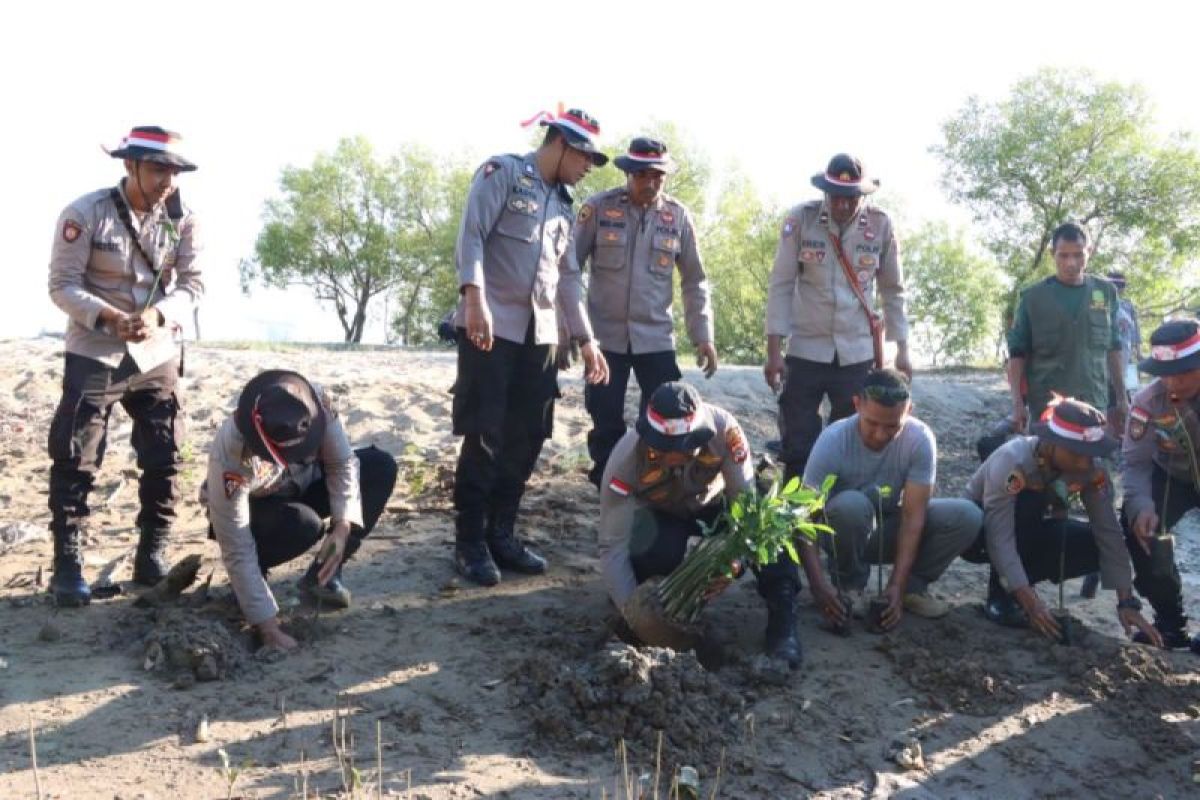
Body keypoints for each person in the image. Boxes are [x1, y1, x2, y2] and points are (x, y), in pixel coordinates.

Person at [451, 108, 611, 586]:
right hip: (490, 326)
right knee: (484, 432)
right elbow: (472, 237)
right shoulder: (502, 173)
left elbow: (565, 279)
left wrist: (585, 339)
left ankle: (502, 532)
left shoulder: (564, 205)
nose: (587, 167)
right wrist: (473, 298)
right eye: (583, 155)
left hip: (539, 336)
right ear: (559, 142)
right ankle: (469, 541)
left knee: (529, 434)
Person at [45, 126, 204, 606]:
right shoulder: (84, 213)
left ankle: (151, 555)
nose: (167, 181)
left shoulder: (185, 219)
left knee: (164, 454)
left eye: (174, 171)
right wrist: (110, 318)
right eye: (158, 170)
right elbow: (62, 285)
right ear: (129, 166)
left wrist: (158, 315)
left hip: (156, 351)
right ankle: (68, 564)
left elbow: (193, 285)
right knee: (76, 456)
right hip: (95, 347)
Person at [600, 382, 804, 667]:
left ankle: (783, 628)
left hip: (715, 505)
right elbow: (612, 546)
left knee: (771, 533)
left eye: (683, 447)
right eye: (664, 447)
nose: (673, 456)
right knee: (654, 552)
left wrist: (735, 563)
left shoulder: (725, 432)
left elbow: (745, 515)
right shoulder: (625, 460)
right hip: (663, 514)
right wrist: (633, 614)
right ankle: (655, 602)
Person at [204, 370, 398, 651]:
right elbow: (235, 544)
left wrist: (343, 527)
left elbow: (342, 464)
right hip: (256, 509)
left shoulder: (316, 404)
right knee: (303, 525)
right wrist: (268, 628)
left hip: (304, 483)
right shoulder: (230, 452)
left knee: (380, 466)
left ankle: (326, 574)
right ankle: (252, 584)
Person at [573, 137, 717, 487]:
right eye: (642, 175)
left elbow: (695, 281)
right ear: (628, 174)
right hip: (605, 338)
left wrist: (703, 336)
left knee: (663, 415)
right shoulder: (598, 209)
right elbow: (568, 269)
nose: (650, 183)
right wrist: (572, 331)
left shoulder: (678, 217)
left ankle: (649, 482)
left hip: (655, 338)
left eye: (658, 176)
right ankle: (607, 483)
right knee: (605, 418)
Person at [961, 397, 1160, 643]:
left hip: (1028, 535)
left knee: (1092, 543)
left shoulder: (1091, 469)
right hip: (980, 534)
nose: (1085, 462)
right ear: (1052, 443)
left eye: (1091, 454)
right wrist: (1031, 603)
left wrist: (1126, 601)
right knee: (1028, 502)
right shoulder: (1013, 461)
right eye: (1077, 454)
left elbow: (1108, 531)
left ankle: (1020, 585)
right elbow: (998, 535)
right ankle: (1003, 596)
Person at [765, 153, 911, 480]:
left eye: (851, 197)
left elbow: (893, 290)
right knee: (798, 439)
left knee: (852, 438)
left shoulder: (880, 224)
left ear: (862, 195)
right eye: (836, 196)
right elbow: (782, 284)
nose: (843, 204)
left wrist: (901, 351)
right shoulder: (800, 220)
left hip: (856, 352)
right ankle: (797, 516)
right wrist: (774, 351)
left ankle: (842, 513)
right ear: (825, 192)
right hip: (806, 349)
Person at [799, 369, 981, 631]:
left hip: (887, 529)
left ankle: (911, 590)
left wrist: (897, 584)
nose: (880, 434)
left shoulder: (920, 439)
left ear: (909, 411)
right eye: (872, 423)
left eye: (892, 426)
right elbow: (804, 518)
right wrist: (818, 587)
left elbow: (913, 516)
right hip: (842, 530)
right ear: (857, 405)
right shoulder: (833, 439)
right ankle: (849, 586)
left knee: (967, 516)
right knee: (852, 505)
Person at [1121, 318, 1200, 652]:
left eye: (1182, 372)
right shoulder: (1147, 402)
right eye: (1165, 372)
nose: (1172, 382)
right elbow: (1135, 462)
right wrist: (1141, 505)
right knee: (1138, 526)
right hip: (1172, 477)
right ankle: (1169, 622)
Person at [1006, 222, 1127, 435]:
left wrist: (1121, 398)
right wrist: (1017, 404)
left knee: (1091, 464)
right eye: (1063, 255)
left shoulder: (1105, 293)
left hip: (1093, 404)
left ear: (1089, 252)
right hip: (1049, 408)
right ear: (1053, 254)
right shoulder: (1032, 298)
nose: (1071, 263)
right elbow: (1017, 354)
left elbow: (1114, 348)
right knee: (1047, 463)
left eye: (1078, 255)